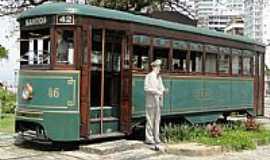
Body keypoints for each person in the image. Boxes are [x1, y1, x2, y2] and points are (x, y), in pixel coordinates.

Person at [144, 59, 166, 150]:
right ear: (154, 67)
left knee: (157, 120)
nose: (160, 68)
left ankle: (156, 137)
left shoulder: (159, 77)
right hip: (151, 101)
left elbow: (162, 87)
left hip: (158, 101)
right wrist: (156, 91)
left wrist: (163, 90)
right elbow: (146, 88)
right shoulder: (148, 76)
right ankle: (149, 138)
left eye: (160, 66)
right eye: (158, 66)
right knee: (150, 120)